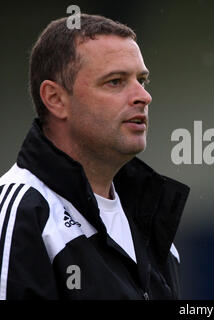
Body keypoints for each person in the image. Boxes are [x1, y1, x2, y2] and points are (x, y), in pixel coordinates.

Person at [0, 14, 190, 300]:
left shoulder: (151, 225)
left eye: (142, 80)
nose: (143, 96)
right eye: (115, 82)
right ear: (55, 99)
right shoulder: (21, 213)